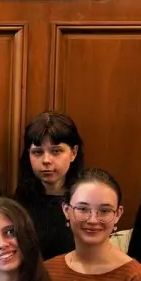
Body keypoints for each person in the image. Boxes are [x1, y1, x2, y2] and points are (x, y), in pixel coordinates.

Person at [15, 111, 85, 259]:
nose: (46, 160)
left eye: (56, 151)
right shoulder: (20, 198)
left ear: (73, 153)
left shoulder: (86, 198)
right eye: (38, 152)